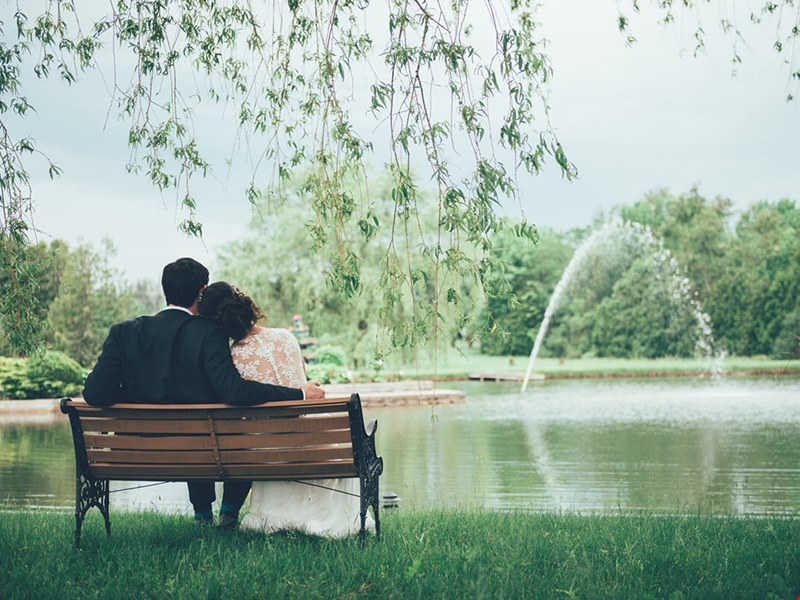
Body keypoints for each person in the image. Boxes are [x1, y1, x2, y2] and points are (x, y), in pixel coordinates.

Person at [82, 258, 325, 528]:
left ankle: (202, 514)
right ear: (202, 292)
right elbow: (234, 392)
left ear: (165, 292)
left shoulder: (123, 333)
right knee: (216, 425)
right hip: (200, 449)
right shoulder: (209, 333)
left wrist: (134, 393)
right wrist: (299, 395)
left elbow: (95, 393)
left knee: (197, 424)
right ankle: (227, 513)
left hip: (131, 450)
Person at [198, 281, 372, 537]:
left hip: (271, 454)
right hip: (317, 446)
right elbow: (302, 383)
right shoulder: (286, 337)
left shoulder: (232, 357)